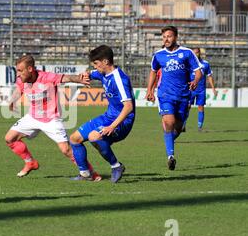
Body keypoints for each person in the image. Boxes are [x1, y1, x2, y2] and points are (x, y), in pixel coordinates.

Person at [5, 54, 101, 180]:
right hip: (32, 117)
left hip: (51, 119)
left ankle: (90, 173)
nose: (18, 74)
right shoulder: (21, 79)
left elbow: (66, 78)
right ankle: (30, 162)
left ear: (30, 69)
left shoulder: (46, 77)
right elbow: (19, 90)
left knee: (66, 149)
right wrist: (12, 100)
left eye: (20, 71)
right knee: (10, 138)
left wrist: (79, 79)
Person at [69, 45, 135, 183]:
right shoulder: (103, 73)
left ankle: (116, 166)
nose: (95, 67)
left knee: (94, 136)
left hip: (122, 121)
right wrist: (85, 76)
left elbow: (128, 107)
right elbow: (89, 73)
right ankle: (85, 173)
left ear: (105, 62)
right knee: (74, 138)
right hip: (107, 117)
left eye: (96, 63)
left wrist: (112, 126)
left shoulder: (119, 79)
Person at [146, 26, 202, 171]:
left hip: (183, 96)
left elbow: (198, 71)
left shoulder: (187, 53)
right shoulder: (158, 55)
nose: (166, 39)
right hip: (165, 95)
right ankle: (170, 156)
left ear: (176, 37)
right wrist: (150, 90)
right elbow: (153, 72)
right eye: (164, 37)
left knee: (176, 128)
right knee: (169, 121)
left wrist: (195, 81)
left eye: (169, 36)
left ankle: (168, 139)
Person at [182, 48, 218, 132]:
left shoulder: (205, 64)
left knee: (201, 108)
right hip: (190, 89)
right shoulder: (188, 64)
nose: (195, 54)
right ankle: (182, 125)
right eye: (194, 53)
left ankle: (200, 127)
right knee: (187, 107)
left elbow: (209, 76)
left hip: (201, 90)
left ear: (199, 53)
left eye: (197, 53)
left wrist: (213, 88)